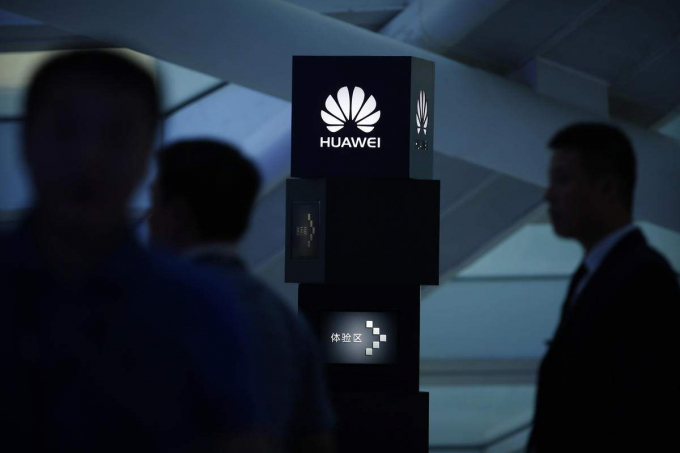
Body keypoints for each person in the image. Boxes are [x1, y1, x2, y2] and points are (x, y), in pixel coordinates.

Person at [0, 51, 265, 452]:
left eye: (116, 135)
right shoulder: (197, 307)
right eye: (65, 130)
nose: (88, 157)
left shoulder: (198, 306)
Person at [148, 139, 335, 453]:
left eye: (154, 203)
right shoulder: (287, 322)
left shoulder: (147, 310)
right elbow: (316, 441)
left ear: (177, 215)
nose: (148, 219)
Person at [528, 122, 680, 452]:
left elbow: (645, 411)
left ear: (608, 188)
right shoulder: (596, 275)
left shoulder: (643, 280)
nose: (548, 194)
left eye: (562, 179)